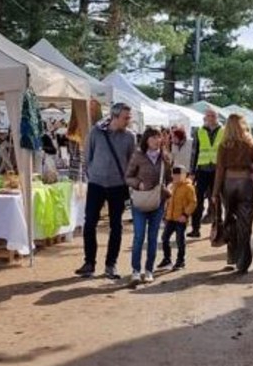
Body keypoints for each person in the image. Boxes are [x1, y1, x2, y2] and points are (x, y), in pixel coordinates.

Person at [75, 103, 136, 279]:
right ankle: (89, 263)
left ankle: (111, 265)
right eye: (126, 117)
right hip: (96, 185)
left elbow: (132, 161)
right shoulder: (96, 133)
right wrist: (93, 175)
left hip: (118, 186)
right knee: (90, 223)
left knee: (116, 226)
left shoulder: (130, 137)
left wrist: (128, 181)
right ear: (115, 117)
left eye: (129, 117)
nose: (128, 121)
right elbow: (88, 156)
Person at [211, 114, 253, 274]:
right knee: (245, 224)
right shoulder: (251, 144)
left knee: (230, 220)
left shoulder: (223, 145)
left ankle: (232, 257)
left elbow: (219, 170)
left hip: (228, 184)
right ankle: (243, 262)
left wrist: (215, 192)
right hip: (245, 183)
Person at [125, 127, 172, 284]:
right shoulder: (138, 156)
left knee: (153, 238)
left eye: (158, 137)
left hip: (158, 202)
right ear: (146, 139)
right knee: (139, 237)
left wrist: (168, 190)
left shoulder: (165, 157)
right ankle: (136, 270)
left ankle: (149, 270)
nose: (156, 140)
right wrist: (138, 184)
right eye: (152, 137)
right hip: (139, 201)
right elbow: (128, 177)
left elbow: (169, 179)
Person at [189, 109, 224, 238]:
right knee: (197, 200)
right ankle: (195, 228)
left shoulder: (223, 131)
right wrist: (192, 171)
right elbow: (194, 152)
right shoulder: (199, 131)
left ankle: (217, 227)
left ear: (217, 117)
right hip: (202, 169)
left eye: (213, 115)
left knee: (216, 199)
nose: (210, 118)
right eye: (208, 115)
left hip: (217, 170)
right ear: (205, 117)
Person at [158, 165, 197, 271]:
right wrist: (165, 215)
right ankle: (167, 259)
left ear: (184, 175)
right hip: (170, 218)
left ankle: (180, 261)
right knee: (164, 238)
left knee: (180, 240)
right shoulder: (172, 186)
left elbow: (193, 203)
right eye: (174, 175)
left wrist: (185, 215)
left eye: (179, 175)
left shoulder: (189, 187)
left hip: (181, 219)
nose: (176, 177)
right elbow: (168, 202)